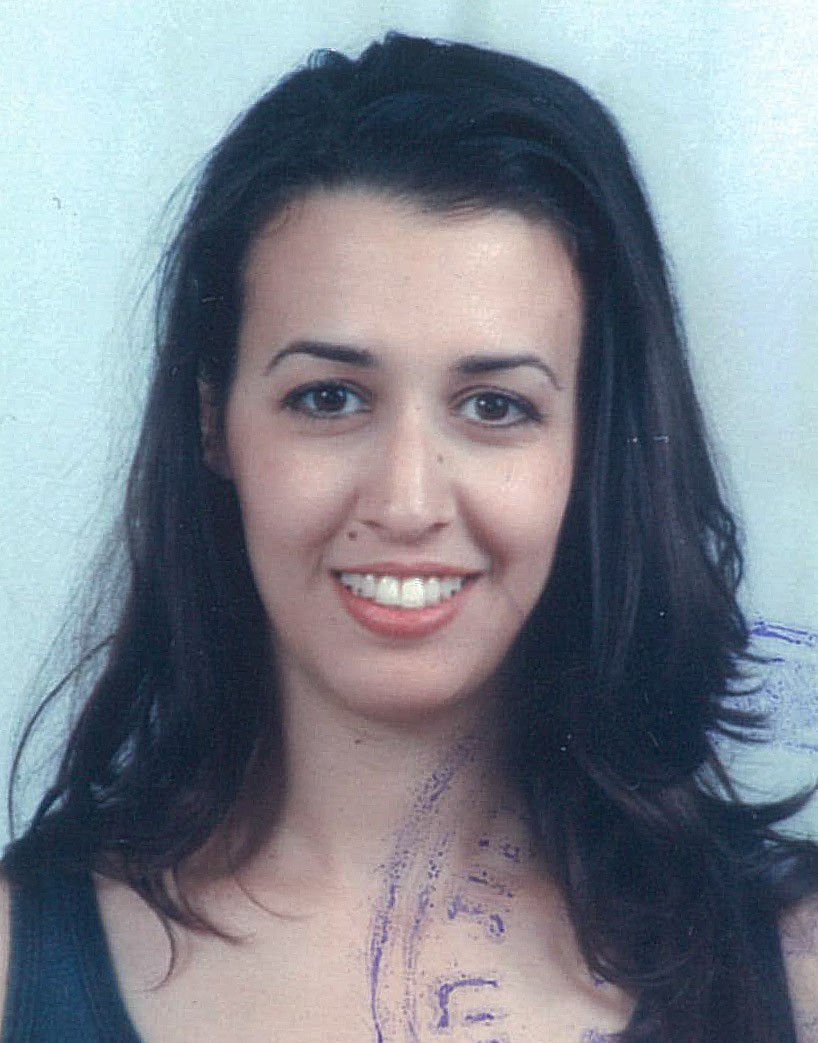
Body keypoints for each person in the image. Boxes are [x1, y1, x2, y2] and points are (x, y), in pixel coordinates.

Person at [1, 31, 817, 1043]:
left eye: (494, 406)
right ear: (213, 420)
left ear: (595, 443)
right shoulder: (16, 959)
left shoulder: (796, 967)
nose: (405, 499)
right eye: (329, 397)